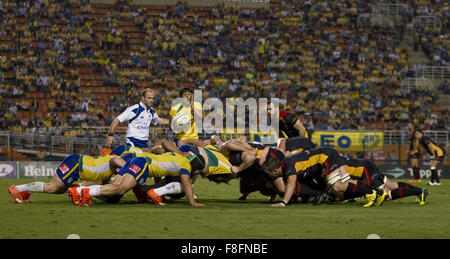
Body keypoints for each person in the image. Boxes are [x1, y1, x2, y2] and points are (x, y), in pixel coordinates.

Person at [69, 151, 206, 207]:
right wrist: (193, 202)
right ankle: (83, 191)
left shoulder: (180, 157)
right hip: (142, 165)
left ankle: (81, 189)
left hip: (138, 160)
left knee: (115, 185)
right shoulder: (186, 166)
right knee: (119, 189)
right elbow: (186, 184)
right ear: (196, 167)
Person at [264, 148, 383, 208]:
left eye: (269, 174)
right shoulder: (287, 163)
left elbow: (291, 184)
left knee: (336, 186)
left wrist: (283, 203)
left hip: (326, 157)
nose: (270, 177)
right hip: (327, 155)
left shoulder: (288, 167)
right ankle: (377, 191)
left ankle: (370, 192)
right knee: (346, 183)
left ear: (274, 170)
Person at [8, 154, 126, 204]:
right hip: (75, 164)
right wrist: (127, 168)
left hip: (77, 167)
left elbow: (101, 183)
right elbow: (116, 160)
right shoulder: (115, 159)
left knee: (59, 190)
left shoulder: (109, 171)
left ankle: (26, 191)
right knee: (53, 187)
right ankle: (17, 189)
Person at [342, 157, 430, 205]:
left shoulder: (332, 164)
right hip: (365, 165)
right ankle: (421, 191)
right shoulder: (334, 158)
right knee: (391, 185)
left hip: (365, 170)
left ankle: (420, 192)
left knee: (386, 196)